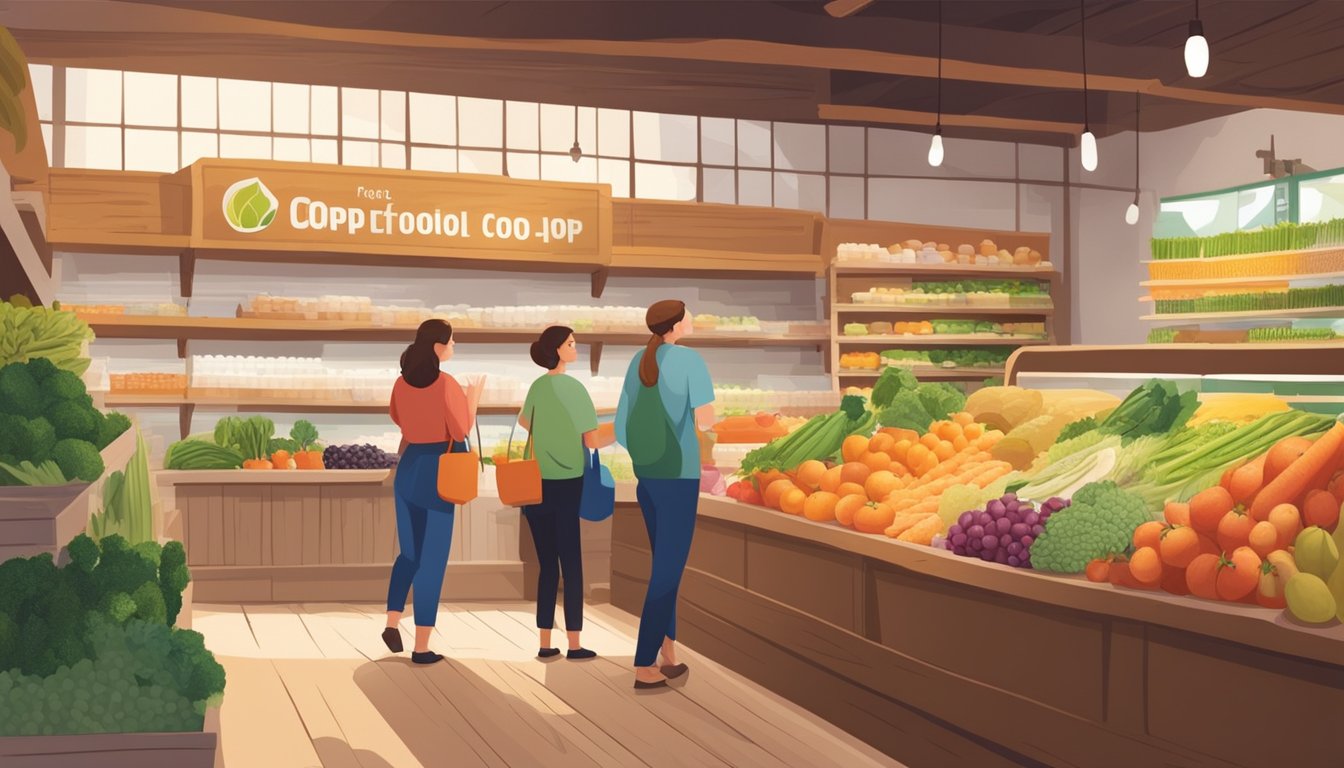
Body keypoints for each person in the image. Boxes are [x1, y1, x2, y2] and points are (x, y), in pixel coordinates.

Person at [615, 300, 715, 690]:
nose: (692, 318)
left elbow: (622, 425)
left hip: (648, 476)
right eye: (688, 313)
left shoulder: (640, 359)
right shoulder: (689, 361)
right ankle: (644, 664)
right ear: (677, 324)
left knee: (664, 563)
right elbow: (706, 420)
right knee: (667, 571)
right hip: (679, 475)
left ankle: (667, 651)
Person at [383, 319, 485, 665]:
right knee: (433, 561)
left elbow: (399, 420)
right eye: (452, 341)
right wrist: (473, 401)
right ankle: (422, 646)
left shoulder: (400, 383)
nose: (454, 345)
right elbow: (460, 429)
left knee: (409, 553)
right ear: (438, 346)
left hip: (409, 468)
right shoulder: (446, 384)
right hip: (440, 470)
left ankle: (392, 621)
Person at [519, 326, 615, 661]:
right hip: (566, 482)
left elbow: (526, 424)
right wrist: (620, 426)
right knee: (570, 562)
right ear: (558, 350)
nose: (576, 348)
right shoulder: (573, 389)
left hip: (533, 483)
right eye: (571, 344)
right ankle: (574, 643)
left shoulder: (537, 386)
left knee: (547, 565)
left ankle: (545, 643)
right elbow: (592, 441)